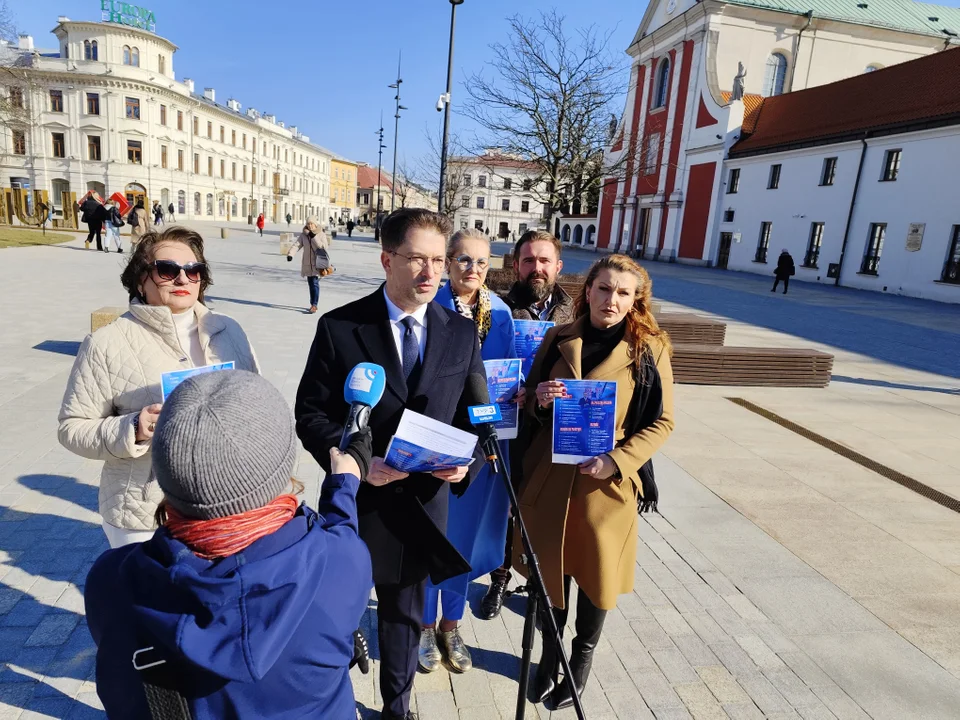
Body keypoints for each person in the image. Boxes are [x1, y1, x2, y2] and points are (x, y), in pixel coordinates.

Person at [84, 370, 374, 720]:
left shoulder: (111, 580)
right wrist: (343, 483)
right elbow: (340, 534)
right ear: (281, 469)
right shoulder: (338, 564)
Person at [295, 208, 486, 720]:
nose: (430, 273)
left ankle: (397, 710)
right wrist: (358, 461)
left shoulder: (461, 334)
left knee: (403, 619)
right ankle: (328, 704)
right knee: (336, 613)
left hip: (424, 507)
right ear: (386, 259)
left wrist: (465, 463)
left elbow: (477, 418)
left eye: (438, 261)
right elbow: (310, 415)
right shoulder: (341, 328)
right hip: (358, 504)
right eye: (416, 259)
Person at [517, 254, 675, 710]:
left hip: (605, 485)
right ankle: (549, 658)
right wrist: (541, 399)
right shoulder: (559, 336)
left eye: (623, 292)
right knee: (551, 572)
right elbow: (528, 402)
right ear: (588, 291)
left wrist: (617, 461)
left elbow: (662, 422)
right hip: (551, 474)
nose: (611, 299)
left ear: (635, 300)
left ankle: (580, 663)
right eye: (604, 289)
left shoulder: (650, 348)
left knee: (596, 576)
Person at [58, 227, 260, 548]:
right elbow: (72, 428)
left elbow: (256, 403)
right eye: (167, 270)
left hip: (221, 503)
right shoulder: (107, 342)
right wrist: (134, 428)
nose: (183, 279)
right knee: (148, 599)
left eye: (194, 271)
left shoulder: (229, 330)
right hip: (144, 513)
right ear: (141, 280)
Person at [418, 229, 521, 675]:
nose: (473, 270)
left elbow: (508, 372)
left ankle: (451, 624)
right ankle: (422, 625)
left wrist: (516, 395)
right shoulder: (428, 307)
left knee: (464, 540)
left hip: (480, 447)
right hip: (435, 441)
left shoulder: (499, 312)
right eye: (463, 261)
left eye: (482, 262)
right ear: (447, 262)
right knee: (429, 537)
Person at [481, 229, 576, 620]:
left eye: (543, 261)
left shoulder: (576, 313)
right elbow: (483, 365)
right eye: (528, 261)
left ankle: (540, 586)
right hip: (513, 426)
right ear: (516, 265)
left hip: (556, 429)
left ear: (557, 266)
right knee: (509, 503)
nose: (536, 268)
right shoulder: (498, 311)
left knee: (549, 509)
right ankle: (500, 577)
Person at [287, 216, 330, 314]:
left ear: (315, 224)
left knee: (315, 283)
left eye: (311, 223)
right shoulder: (303, 235)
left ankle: (314, 305)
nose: (310, 226)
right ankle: (312, 304)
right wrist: (290, 254)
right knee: (311, 284)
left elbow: (323, 247)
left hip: (318, 263)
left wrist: (313, 236)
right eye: (308, 224)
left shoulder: (321, 234)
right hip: (307, 264)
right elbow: (297, 245)